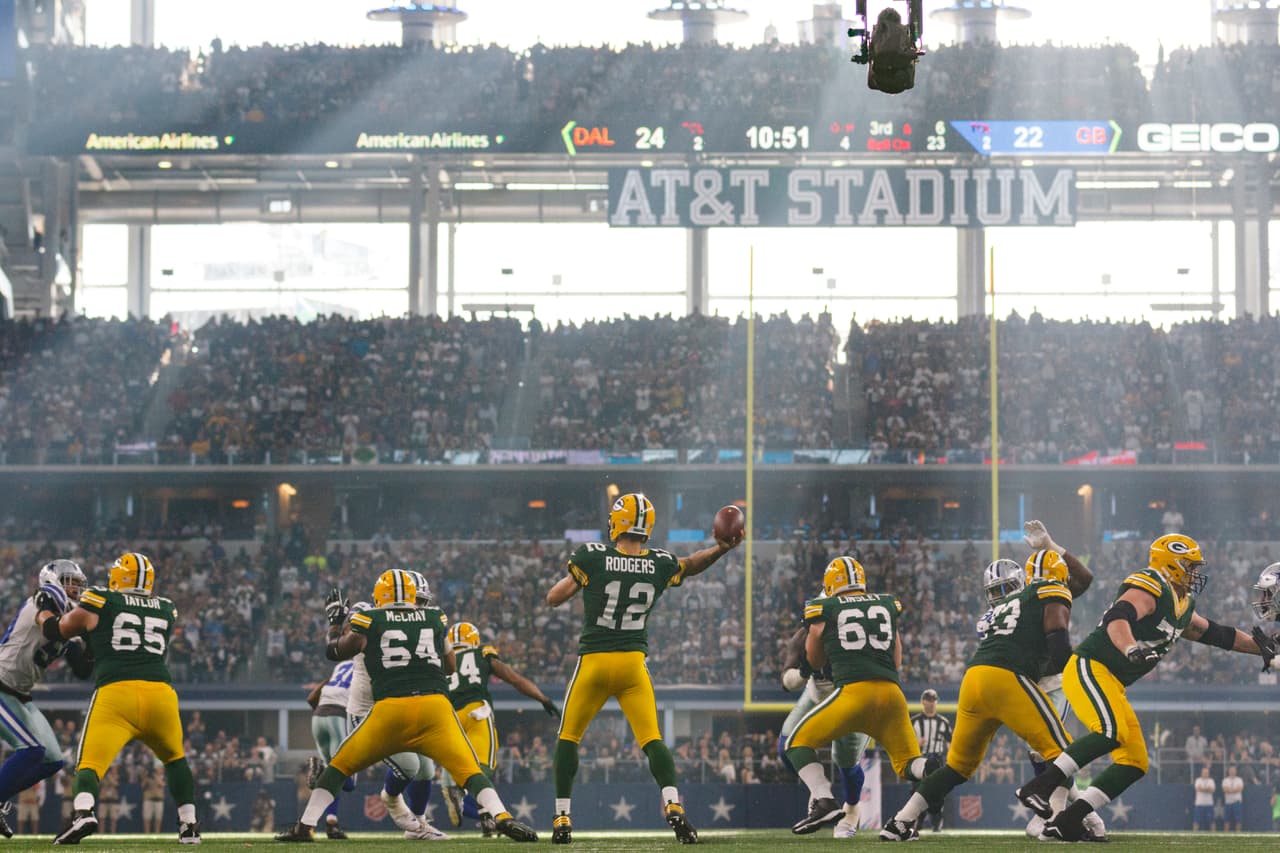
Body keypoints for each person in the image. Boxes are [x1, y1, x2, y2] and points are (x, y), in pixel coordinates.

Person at [1016, 534, 1278, 842]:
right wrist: (1129, 648)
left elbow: (1218, 635)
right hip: (1090, 666)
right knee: (1109, 732)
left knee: (1135, 761)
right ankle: (1039, 787)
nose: (1194, 573)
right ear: (1172, 565)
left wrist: (1264, 650)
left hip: (1112, 680)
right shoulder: (1151, 583)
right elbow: (1119, 617)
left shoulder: (1181, 603)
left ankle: (1070, 821)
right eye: (1189, 565)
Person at [275, 569, 536, 843]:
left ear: (379, 596)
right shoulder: (436, 617)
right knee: (469, 770)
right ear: (413, 595)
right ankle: (503, 816)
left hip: (391, 709)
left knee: (339, 767)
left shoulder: (370, 618)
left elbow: (334, 652)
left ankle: (305, 826)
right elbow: (450, 666)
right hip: (435, 708)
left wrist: (335, 625)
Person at [545, 492, 743, 845]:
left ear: (618, 523)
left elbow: (555, 597)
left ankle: (562, 816)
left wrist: (580, 583)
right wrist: (722, 549)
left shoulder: (592, 556)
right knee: (652, 740)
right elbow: (692, 564)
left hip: (594, 662)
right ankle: (673, 805)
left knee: (568, 737)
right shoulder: (660, 562)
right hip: (633, 666)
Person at [882, 542, 1089, 841]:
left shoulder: (1004, 607)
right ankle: (1063, 819)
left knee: (957, 767)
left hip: (974, 679)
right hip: (1006, 678)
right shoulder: (1049, 591)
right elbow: (1058, 646)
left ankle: (901, 821)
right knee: (1064, 751)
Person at [46, 553, 201, 844]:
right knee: (175, 760)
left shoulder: (101, 599)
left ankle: (83, 812)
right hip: (161, 695)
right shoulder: (167, 608)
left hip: (117, 693)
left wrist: (46, 614)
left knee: (89, 762)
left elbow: (62, 629)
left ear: (118, 576)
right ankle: (189, 825)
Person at [787, 556, 929, 835]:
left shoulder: (823, 607)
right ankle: (934, 771)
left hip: (853, 694)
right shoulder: (887, 604)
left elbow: (814, 660)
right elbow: (897, 658)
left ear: (830, 584)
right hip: (892, 694)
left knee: (796, 743)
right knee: (909, 764)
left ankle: (824, 799)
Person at [441, 620, 560, 836]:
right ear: (474, 640)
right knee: (483, 768)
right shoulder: (482, 652)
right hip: (476, 712)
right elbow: (513, 678)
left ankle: (486, 817)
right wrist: (542, 698)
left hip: (448, 718)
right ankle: (460, 791)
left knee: (465, 767)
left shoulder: (441, 660)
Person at [0, 560, 91, 840]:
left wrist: (93, 645)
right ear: (53, 580)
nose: (75, 588)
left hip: (21, 695)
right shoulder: (47, 597)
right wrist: (81, 629)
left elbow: (83, 670)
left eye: (77, 583)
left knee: (52, 760)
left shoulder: (67, 617)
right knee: (31, 750)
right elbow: (51, 628)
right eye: (69, 581)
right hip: (1, 685)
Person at [778, 576, 870, 841]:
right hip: (817, 695)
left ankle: (852, 809)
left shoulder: (861, 636)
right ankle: (821, 795)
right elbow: (787, 681)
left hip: (852, 700)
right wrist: (804, 671)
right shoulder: (805, 636)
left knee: (846, 762)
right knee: (787, 746)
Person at [372, 570, 448, 841]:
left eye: (422, 603)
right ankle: (391, 798)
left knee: (426, 769)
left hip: (418, 704)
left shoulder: (424, 625)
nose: (419, 608)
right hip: (385, 708)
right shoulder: (376, 623)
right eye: (416, 601)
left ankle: (419, 825)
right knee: (409, 766)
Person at [304, 658, 355, 839]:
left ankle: (331, 821)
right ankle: (320, 771)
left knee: (334, 775)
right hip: (338, 717)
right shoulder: (369, 667)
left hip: (318, 716)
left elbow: (311, 699)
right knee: (348, 781)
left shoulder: (341, 665)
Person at [909, 689, 953, 832]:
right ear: (922, 701)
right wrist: (916, 743)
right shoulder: (914, 721)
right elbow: (906, 742)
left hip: (937, 758)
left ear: (936, 702)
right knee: (917, 790)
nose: (931, 703)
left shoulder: (943, 722)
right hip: (920, 758)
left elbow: (950, 742)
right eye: (928, 700)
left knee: (937, 792)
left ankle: (937, 820)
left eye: (933, 700)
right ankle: (919, 821)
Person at [867, 6, 918, 94]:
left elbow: (871, 53)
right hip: (901, 79)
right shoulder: (903, 31)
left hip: (881, 79)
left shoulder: (877, 33)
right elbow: (910, 50)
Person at [142, 765, 166, 835]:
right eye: (159, 768)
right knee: (147, 818)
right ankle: (147, 833)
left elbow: (161, 784)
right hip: (148, 799)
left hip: (159, 800)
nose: (161, 769)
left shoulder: (163, 777)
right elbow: (143, 786)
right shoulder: (148, 777)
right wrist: (145, 776)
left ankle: (157, 833)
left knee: (158, 818)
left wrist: (155, 776)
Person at [1221, 764, 1244, 832]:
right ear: (1228, 771)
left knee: (1238, 820)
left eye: (1233, 770)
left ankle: (1238, 835)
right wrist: (1234, 790)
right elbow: (1225, 790)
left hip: (1237, 802)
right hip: (1228, 803)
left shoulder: (1239, 780)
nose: (1232, 772)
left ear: (1236, 771)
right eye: (1231, 770)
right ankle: (1226, 835)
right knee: (1227, 820)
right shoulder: (1225, 780)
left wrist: (1230, 790)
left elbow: (1240, 789)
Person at [1193, 765, 1215, 831]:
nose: (1205, 774)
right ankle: (1194, 836)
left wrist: (1203, 789)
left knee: (1211, 822)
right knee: (1196, 821)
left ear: (1208, 773)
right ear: (1201, 773)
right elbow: (1198, 788)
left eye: (1206, 772)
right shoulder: (1198, 780)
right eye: (1204, 772)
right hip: (1199, 804)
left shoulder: (1211, 781)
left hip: (1209, 804)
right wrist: (1207, 789)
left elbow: (1212, 790)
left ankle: (1214, 836)